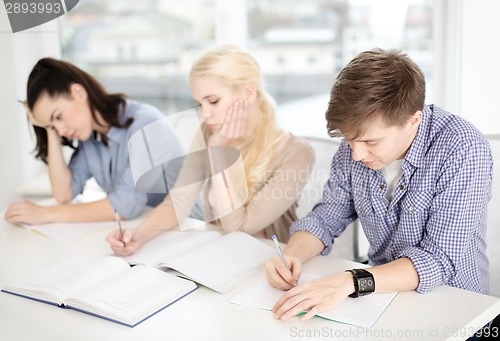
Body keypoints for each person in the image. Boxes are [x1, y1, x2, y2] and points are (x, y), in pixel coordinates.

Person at [265, 48, 493, 322]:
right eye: (350, 140)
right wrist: (291, 256)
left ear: (413, 121)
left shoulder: (464, 148)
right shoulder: (356, 145)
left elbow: (437, 259)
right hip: (380, 299)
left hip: (455, 308)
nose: (357, 155)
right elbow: (325, 219)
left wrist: (350, 281)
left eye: (371, 142)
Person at [107, 45, 315, 256]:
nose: (205, 114)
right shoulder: (210, 131)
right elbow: (178, 202)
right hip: (223, 254)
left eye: (213, 101)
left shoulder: (296, 153)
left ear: (248, 94)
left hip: (272, 260)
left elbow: (239, 228)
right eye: (199, 104)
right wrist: (140, 235)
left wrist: (220, 152)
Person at [5, 58, 184, 224]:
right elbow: (64, 193)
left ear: (79, 92)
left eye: (59, 116)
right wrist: (49, 128)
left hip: (191, 230)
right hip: (145, 230)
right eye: (53, 125)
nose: (61, 131)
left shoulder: (146, 124)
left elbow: (125, 205)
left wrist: (45, 213)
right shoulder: (91, 138)